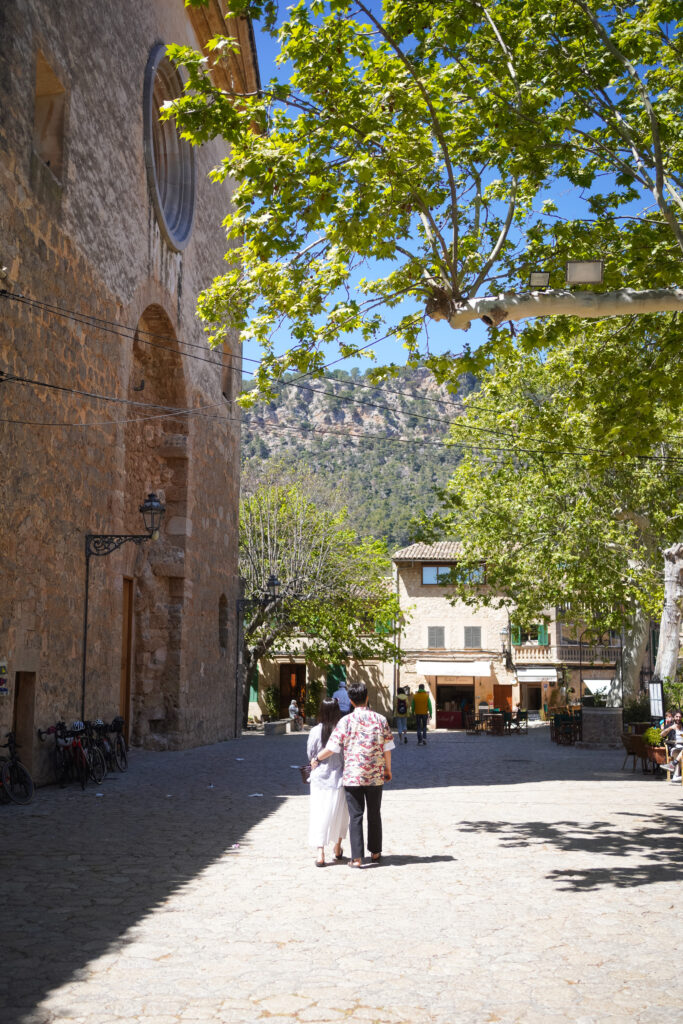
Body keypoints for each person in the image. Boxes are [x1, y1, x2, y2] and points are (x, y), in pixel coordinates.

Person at [312, 681, 394, 868]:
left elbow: (331, 748)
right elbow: (387, 748)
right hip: (375, 775)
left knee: (356, 815)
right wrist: (387, 770)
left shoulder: (345, 721)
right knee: (374, 814)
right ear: (367, 697)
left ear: (350, 700)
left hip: (353, 775)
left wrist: (316, 758)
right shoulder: (381, 719)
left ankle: (357, 857)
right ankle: (375, 852)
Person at [306, 698, 349, 866]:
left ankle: (320, 853)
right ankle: (337, 848)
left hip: (319, 779)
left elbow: (310, 754)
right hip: (338, 778)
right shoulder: (341, 731)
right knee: (339, 814)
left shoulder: (315, 731)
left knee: (319, 814)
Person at [661, 710, 683, 781]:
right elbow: (662, 735)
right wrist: (670, 728)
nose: (678, 718)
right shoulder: (669, 726)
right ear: (673, 717)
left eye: (680, 717)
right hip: (674, 747)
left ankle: (674, 766)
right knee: (678, 752)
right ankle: (676, 775)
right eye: (677, 716)